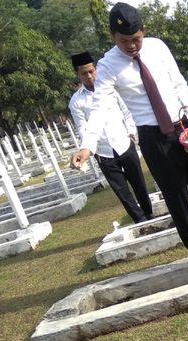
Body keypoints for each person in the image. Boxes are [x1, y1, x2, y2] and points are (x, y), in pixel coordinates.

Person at [70, 2, 188, 255]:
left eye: (136, 39)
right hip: (153, 138)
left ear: (143, 30)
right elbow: (100, 108)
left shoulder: (157, 47)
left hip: (185, 126)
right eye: (124, 41)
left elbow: (179, 84)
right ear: (112, 36)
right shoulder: (108, 66)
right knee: (176, 198)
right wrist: (88, 146)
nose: (131, 45)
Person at [69, 51, 153, 224]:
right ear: (77, 74)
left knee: (139, 183)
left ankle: (149, 213)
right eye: (84, 73)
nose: (90, 76)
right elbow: (82, 128)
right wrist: (90, 149)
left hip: (124, 142)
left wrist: (131, 133)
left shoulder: (111, 89)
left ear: (96, 68)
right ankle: (140, 220)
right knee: (122, 191)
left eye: (92, 71)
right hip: (103, 151)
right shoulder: (76, 102)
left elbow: (127, 111)